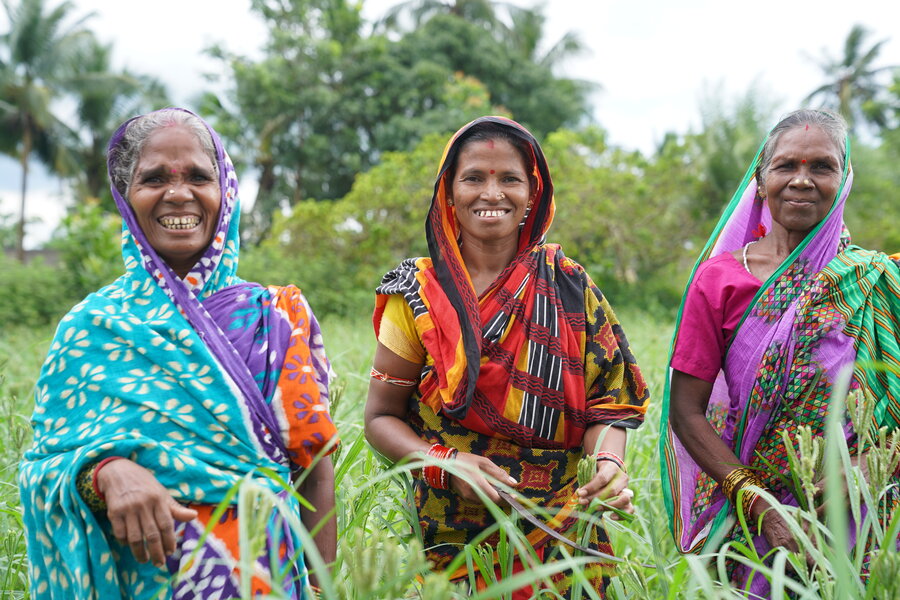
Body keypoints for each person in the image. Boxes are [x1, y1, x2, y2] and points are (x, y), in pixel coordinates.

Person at [18, 108, 339, 599]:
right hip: (140, 584)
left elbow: (314, 471)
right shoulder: (90, 328)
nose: (178, 193)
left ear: (225, 190)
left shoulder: (275, 316)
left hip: (264, 579)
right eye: (153, 179)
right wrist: (107, 471)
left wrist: (321, 588)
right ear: (126, 197)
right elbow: (43, 470)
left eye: (197, 176)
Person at [364, 116, 650, 597]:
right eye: (474, 177)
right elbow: (379, 419)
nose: (491, 193)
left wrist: (608, 463)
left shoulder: (569, 285)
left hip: (565, 532)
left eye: (510, 179)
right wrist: (446, 463)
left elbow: (609, 404)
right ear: (448, 193)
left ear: (532, 196)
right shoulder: (417, 293)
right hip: (450, 540)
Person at [661, 109, 900, 593]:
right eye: (786, 166)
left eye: (822, 167)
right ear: (761, 179)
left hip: (863, 505)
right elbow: (686, 411)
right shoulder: (720, 279)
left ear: (844, 178)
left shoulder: (877, 282)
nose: (802, 181)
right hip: (757, 513)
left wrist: (859, 474)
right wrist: (756, 503)